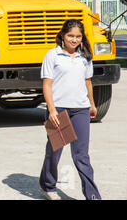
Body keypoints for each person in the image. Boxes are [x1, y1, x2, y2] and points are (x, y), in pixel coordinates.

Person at [39, 19, 101, 200]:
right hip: (59, 109)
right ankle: (48, 185)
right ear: (63, 37)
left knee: (81, 155)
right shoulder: (53, 55)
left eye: (78, 36)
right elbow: (47, 85)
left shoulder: (85, 56)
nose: (74, 40)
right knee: (55, 150)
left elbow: (88, 82)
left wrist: (92, 103)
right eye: (70, 36)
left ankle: (92, 195)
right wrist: (51, 110)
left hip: (80, 109)